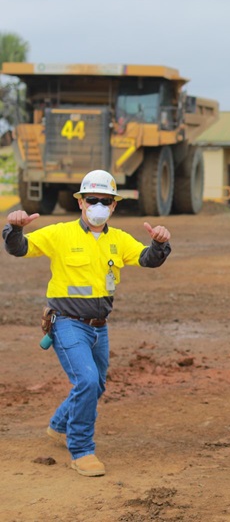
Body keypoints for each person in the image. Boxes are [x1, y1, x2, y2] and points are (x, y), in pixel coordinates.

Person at [2, 170, 172, 477]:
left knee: (97, 383)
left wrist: (159, 244)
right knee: (87, 381)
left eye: (105, 201)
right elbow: (19, 248)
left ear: (113, 206)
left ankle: (58, 425)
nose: (98, 205)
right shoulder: (59, 233)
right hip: (66, 323)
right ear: (81, 202)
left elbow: (148, 259)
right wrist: (13, 228)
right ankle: (81, 450)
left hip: (99, 327)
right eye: (92, 199)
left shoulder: (118, 240)